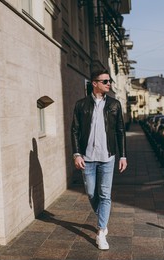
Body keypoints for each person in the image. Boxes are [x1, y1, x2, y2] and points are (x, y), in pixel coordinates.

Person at [71, 69, 127, 250]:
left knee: (104, 195)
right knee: (91, 193)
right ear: (94, 83)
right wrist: (76, 154)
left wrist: (123, 155)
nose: (108, 84)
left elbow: (120, 131)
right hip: (87, 158)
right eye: (104, 81)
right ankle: (103, 217)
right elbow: (75, 130)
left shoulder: (115, 104)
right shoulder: (81, 105)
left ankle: (101, 231)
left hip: (108, 157)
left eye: (109, 81)